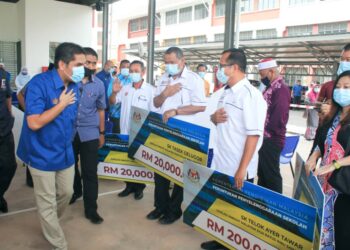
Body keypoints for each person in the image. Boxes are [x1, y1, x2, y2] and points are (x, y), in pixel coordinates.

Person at [17, 42, 85, 250]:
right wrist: (61, 104)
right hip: (41, 152)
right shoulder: (40, 84)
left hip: (65, 152)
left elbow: (72, 120)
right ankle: (59, 243)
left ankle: (49, 221)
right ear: (62, 64)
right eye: (79, 64)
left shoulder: (75, 86)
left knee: (66, 193)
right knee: (46, 202)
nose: (84, 68)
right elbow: (34, 122)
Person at [201, 48, 267, 250]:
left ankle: (232, 245)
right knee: (222, 203)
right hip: (221, 160)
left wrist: (242, 168)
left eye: (222, 65)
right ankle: (221, 239)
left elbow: (253, 135)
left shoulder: (250, 95)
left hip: (239, 165)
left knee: (238, 209)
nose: (218, 69)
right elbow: (215, 119)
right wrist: (214, 118)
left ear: (235, 67)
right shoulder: (224, 93)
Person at [147, 47, 206, 225]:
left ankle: (174, 210)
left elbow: (201, 106)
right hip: (163, 131)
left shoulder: (193, 80)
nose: (169, 66)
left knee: (179, 173)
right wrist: (165, 94)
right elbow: (155, 104)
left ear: (182, 61)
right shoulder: (163, 78)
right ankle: (160, 206)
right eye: (166, 62)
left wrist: (176, 110)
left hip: (183, 134)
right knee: (160, 170)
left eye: (172, 62)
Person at [306, 70, 350, 250]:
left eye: (346, 87)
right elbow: (321, 141)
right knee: (322, 230)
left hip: (342, 186)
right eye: (338, 87)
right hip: (324, 183)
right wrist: (313, 157)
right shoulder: (333, 114)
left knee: (343, 234)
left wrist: (334, 165)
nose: (341, 90)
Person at [69, 47, 106, 225]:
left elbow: (100, 110)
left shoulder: (98, 84)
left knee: (90, 172)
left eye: (93, 63)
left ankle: (91, 209)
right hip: (68, 132)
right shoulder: (69, 80)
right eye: (87, 62)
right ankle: (76, 190)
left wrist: (101, 133)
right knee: (70, 167)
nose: (90, 66)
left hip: (90, 132)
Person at [109, 60, 154, 200]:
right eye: (131, 71)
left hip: (141, 133)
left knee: (139, 161)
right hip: (125, 131)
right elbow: (112, 102)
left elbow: (153, 112)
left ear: (143, 72)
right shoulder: (125, 88)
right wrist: (114, 93)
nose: (133, 73)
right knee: (126, 160)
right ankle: (128, 186)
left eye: (136, 71)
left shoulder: (151, 90)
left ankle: (139, 188)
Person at [256, 58, 290, 194]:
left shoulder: (281, 88)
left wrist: (267, 133)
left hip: (272, 139)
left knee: (271, 176)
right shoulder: (271, 87)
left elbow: (279, 116)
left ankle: (275, 207)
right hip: (265, 137)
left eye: (262, 74)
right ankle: (263, 203)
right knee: (263, 173)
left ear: (271, 71)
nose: (261, 77)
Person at [0, 66, 17, 213]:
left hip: (4, 127)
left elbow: (8, 96)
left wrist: (10, 114)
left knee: (9, 166)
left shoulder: (3, 74)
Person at [107, 59, 132, 133]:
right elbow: (109, 96)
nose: (126, 69)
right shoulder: (115, 79)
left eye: (128, 67)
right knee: (118, 139)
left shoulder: (132, 80)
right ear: (120, 68)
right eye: (124, 67)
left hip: (129, 116)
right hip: (116, 115)